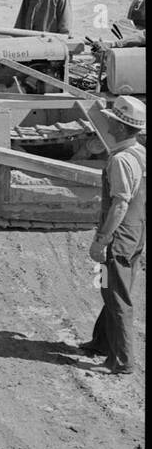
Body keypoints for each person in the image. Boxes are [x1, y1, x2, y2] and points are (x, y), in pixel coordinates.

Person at [77, 96, 146, 375]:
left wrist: (100, 241)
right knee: (112, 289)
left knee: (116, 295)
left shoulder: (119, 160)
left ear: (119, 126)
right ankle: (101, 342)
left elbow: (120, 204)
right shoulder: (141, 153)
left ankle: (123, 360)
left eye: (110, 120)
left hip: (119, 236)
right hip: (136, 233)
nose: (106, 122)